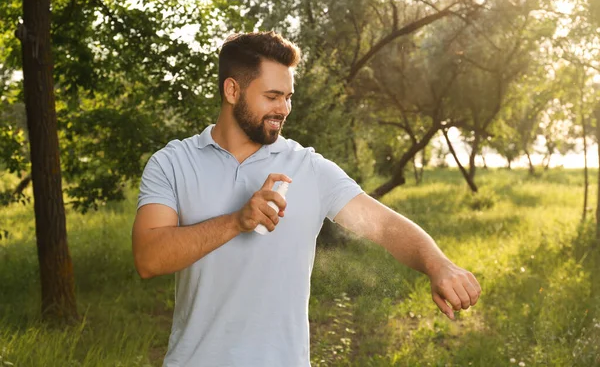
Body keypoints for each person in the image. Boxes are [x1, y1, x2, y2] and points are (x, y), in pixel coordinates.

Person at [132, 31, 481, 367]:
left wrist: (438, 265)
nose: (284, 109)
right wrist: (238, 221)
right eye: (272, 96)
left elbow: (384, 225)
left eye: (289, 97)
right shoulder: (173, 162)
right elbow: (148, 258)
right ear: (232, 90)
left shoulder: (309, 168)